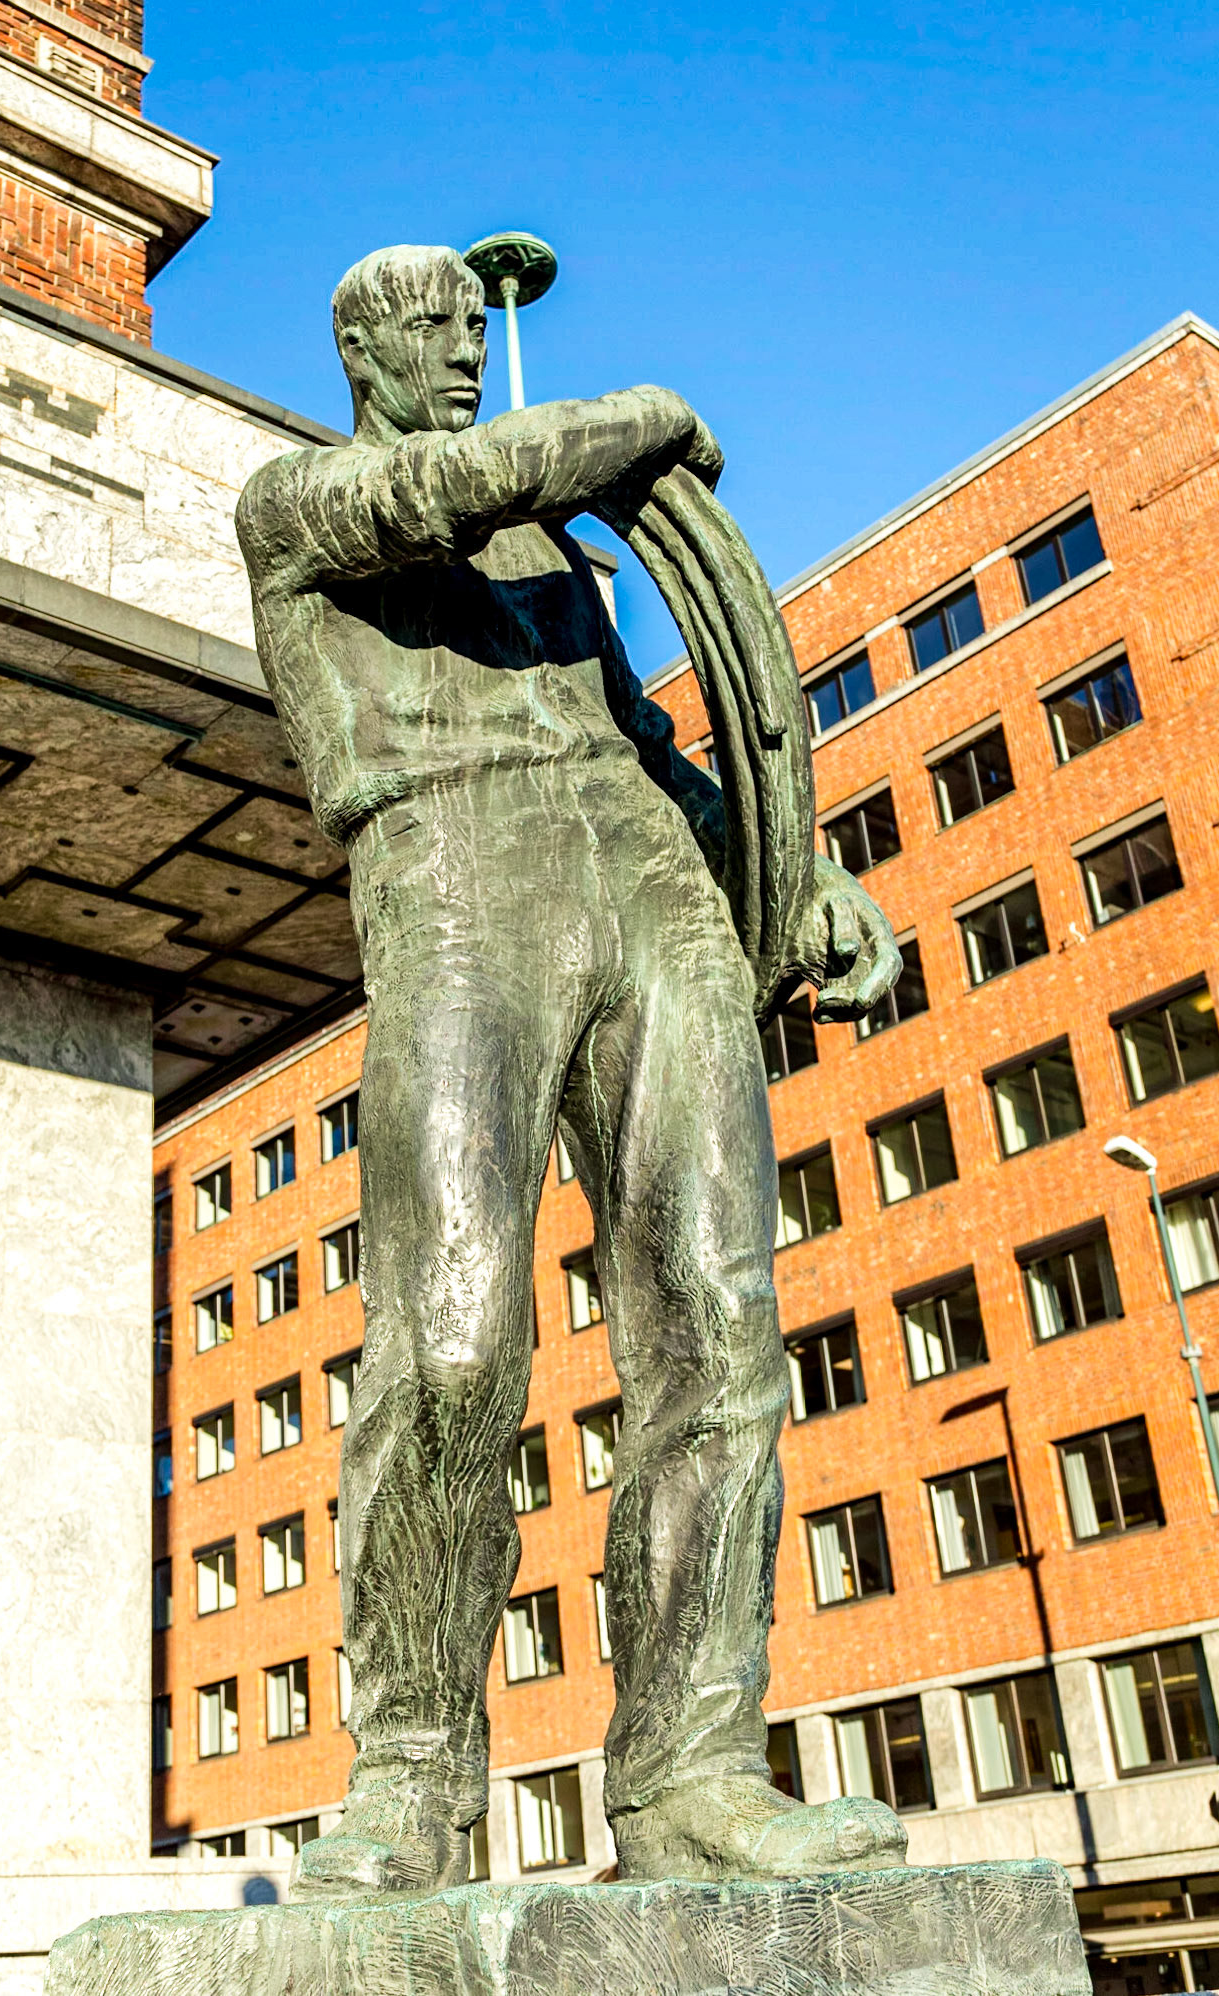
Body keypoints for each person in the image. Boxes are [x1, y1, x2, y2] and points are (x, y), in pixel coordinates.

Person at [236, 244, 905, 1901]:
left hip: (648, 884)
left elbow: (656, 737)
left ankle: (690, 1774)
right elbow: (454, 486)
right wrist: (639, 420)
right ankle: (407, 1782)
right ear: (359, 348)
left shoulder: (546, 541)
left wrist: (793, 872)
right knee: (451, 1346)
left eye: (478, 333)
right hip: (455, 869)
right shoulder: (304, 502)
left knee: (716, 1319)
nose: (464, 355)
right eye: (432, 332)